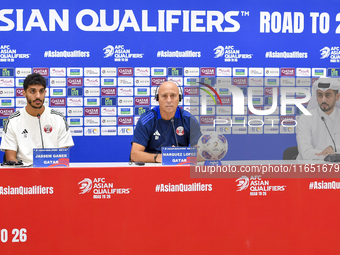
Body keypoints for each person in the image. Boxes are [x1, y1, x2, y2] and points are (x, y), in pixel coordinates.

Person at [0, 73, 74, 165]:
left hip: (52, 172)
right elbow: (10, 159)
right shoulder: (13, 121)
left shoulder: (58, 119)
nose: (38, 96)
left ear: (45, 93)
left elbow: (62, 158)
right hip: (23, 173)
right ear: (24, 93)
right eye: (32, 91)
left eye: (41, 91)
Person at [130, 81, 201, 163]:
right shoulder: (146, 120)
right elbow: (135, 155)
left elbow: (201, 154)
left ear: (179, 98)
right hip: (152, 169)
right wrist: (159, 157)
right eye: (164, 96)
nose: (169, 100)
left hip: (179, 168)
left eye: (173, 96)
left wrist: (179, 155)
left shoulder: (189, 120)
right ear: (157, 99)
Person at [296, 77, 340, 159]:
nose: (323, 100)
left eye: (328, 95)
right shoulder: (305, 118)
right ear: (316, 97)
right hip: (309, 169)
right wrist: (327, 155)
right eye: (320, 95)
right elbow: (305, 153)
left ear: (337, 97)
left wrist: (332, 149)